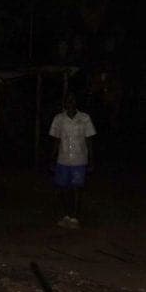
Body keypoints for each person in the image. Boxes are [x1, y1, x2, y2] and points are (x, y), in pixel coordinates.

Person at [49, 93, 96, 228]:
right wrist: (51, 158)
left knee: (77, 188)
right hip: (62, 159)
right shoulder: (58, 119)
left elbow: (89, 140)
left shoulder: (85, 118)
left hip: (79, 159)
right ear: (64, 102)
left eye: (72, 100)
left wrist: (91, 159)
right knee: (62, 188)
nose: (70, 102)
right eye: (68, 100)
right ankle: (65, 216)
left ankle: (75, 217)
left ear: (76, 102)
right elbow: (56, 140)